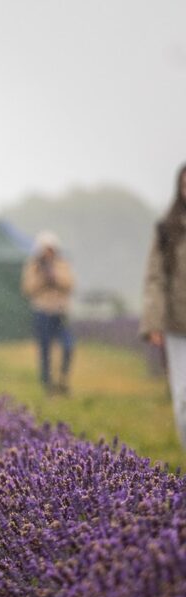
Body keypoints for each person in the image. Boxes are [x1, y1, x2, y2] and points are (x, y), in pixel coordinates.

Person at [141, 162, 186, 447]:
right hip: (176, 324)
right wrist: (153, 323)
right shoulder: (166, 229)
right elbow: (155, 279)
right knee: (183, 398)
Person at [21, 231, 75, 395]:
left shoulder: (62, 264)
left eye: (51, 249)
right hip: (42, 312)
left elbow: (70, 284)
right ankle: (48, 384)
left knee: (68, 345)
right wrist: (43, 278)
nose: (48, 253)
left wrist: (55, 277)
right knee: (45, 350)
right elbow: (27, 288)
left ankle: (63, 379)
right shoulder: (33, 266)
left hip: (60, 312)